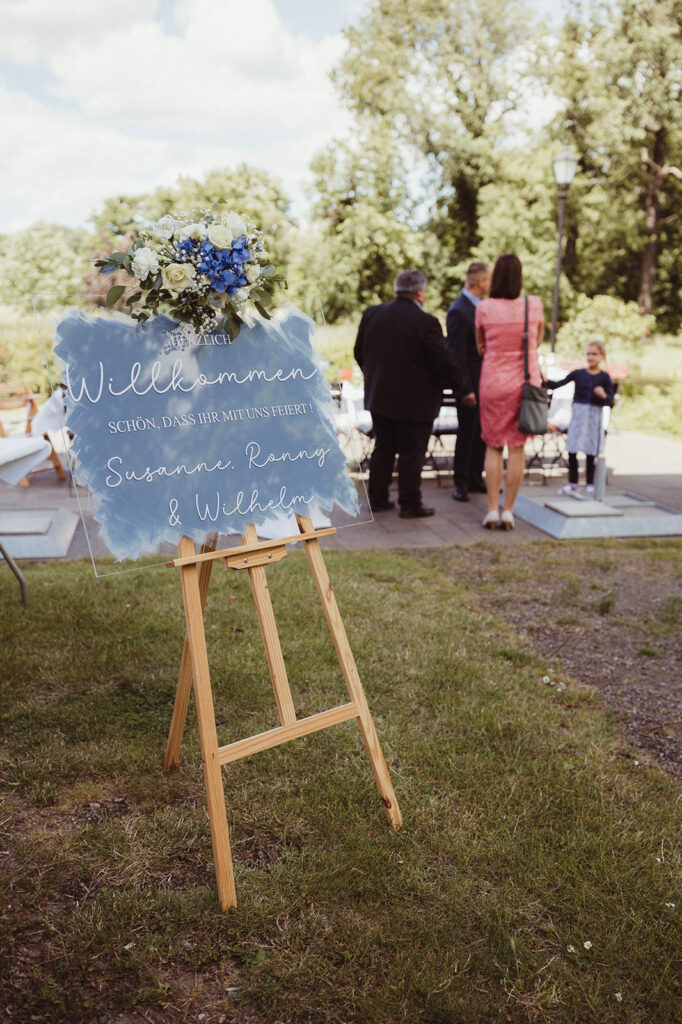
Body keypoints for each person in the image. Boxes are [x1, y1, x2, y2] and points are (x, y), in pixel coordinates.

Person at [354, 269, 462, 518]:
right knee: (412, 453)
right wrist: (459, 385)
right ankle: (410, 503)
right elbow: (442, 361)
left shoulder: (372, 314)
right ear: (420, 293)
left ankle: (378, 499)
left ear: (396, 289)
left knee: (383, 448)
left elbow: (359, 351)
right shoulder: (427, 322)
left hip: (379, 396)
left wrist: (375, 376)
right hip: (416, 401)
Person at [475, 254, 544, 530]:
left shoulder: (484, 307)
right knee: (517, 447)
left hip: (493, 382)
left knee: (493, 445)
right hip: (525, 383)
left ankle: (491, 509)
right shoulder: (534, 304)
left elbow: (480, 346)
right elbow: (536, 342)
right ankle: (509, 511)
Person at [446, 261, 491, 502]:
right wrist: (465, 388)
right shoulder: (459, 310)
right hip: (469, 386)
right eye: (489, 279)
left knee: (481, 433)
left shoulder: (482, 308)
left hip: (484, 383)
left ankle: (475, 477)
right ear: (480, 282)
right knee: (466, 434)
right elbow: (456, 354)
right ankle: (460, 482)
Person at [546, 340, 614, 495]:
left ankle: (590, 482)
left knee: (590, 452)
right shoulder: (578, 374)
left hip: (593, 417)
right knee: (572, 449)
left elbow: (610, 401)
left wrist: (603, 395)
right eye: (588, 354)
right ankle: (572, 482)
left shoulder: (604, 377)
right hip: (578, 416)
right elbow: (557, 384)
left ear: (601, 356)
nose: (591, 357)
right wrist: (543, 382)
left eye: (594, 354)